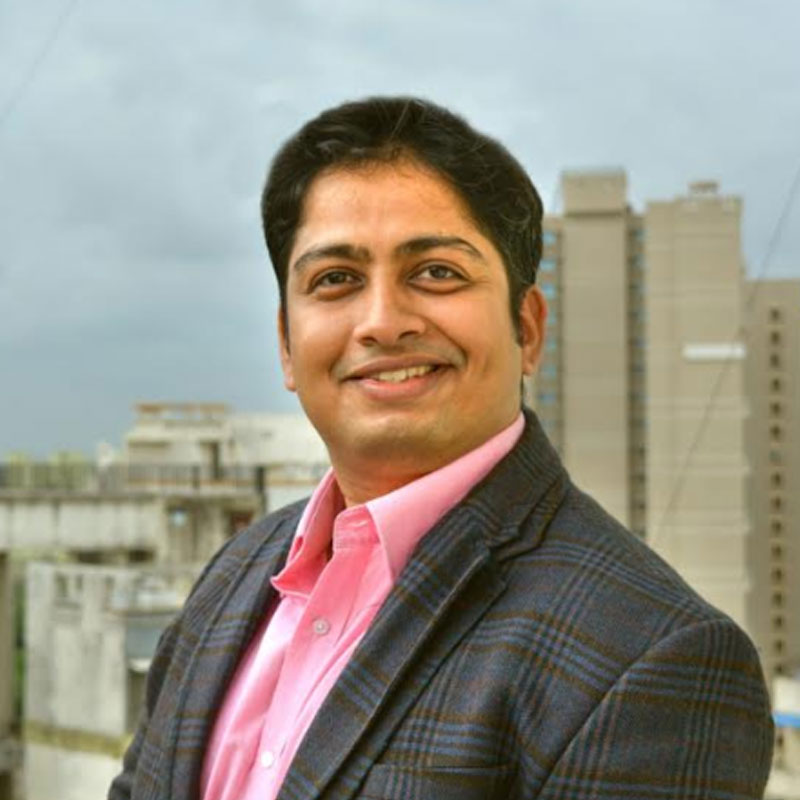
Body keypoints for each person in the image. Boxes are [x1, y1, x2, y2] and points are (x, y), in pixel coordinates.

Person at [109, 97, 773, 800]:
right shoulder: (237, 574)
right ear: (285, 345)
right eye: (336, 280)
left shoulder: (652, 658)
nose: (382, 323)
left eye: (436, 273)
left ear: (527, 328)